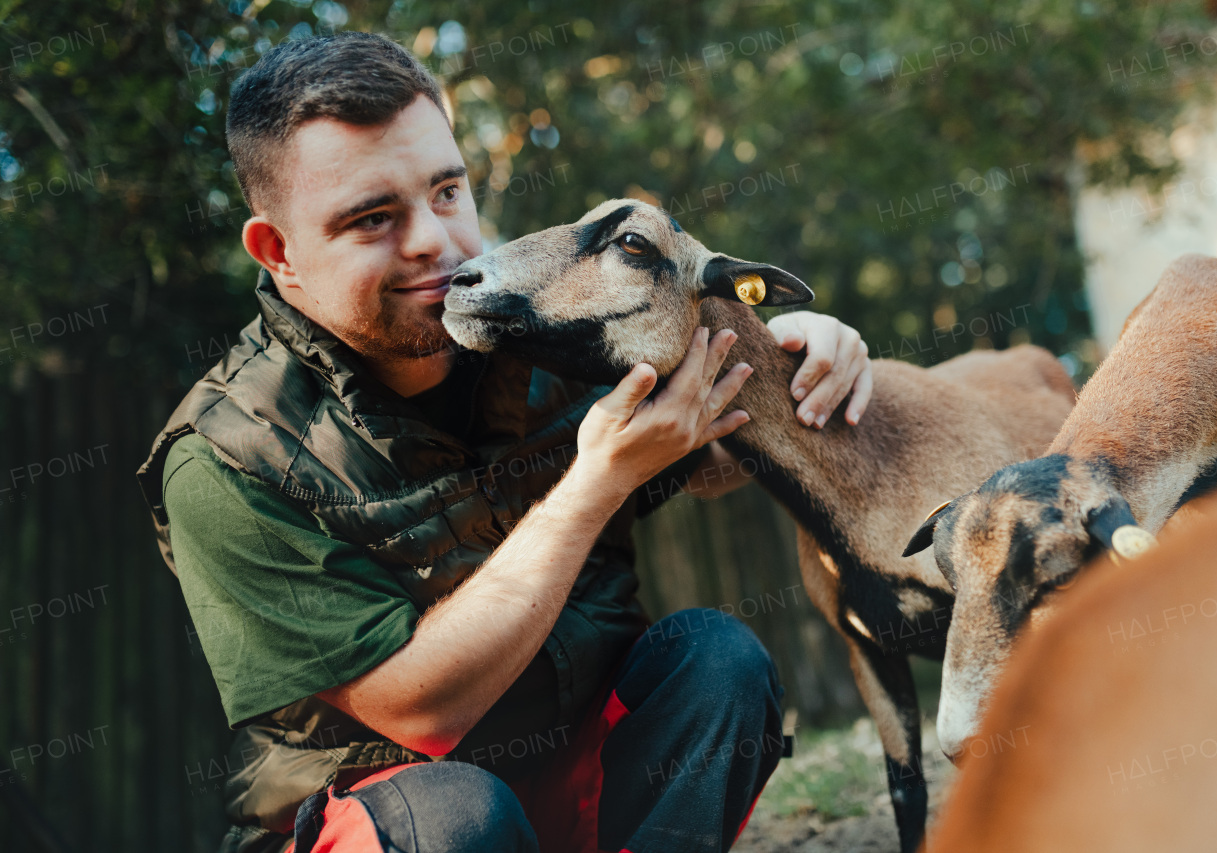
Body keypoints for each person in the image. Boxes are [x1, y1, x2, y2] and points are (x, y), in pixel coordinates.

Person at [137, 31, 873, 853]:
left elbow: (721, 440)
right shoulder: (226, 455)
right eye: (373, 218)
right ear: (279, 252)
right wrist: (594, 484)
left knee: (717, 662)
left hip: (570, 786)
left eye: (447, 192)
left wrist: (801, 355)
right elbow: (422, 713)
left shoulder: (548, 336)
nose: (433, 241)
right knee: (455, 817)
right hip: (392, 818)